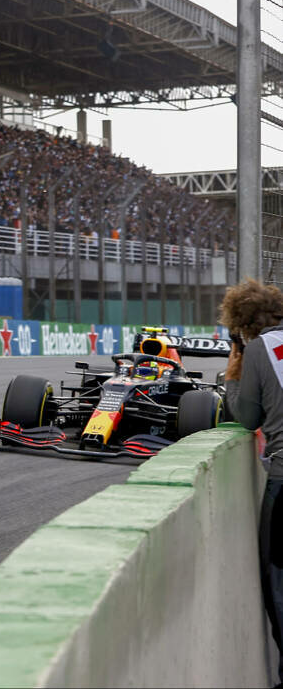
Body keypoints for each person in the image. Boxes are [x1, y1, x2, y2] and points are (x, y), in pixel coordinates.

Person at [221, 278, 283, 686]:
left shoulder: (262, 349)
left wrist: (234, 370)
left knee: (278, 583)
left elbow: (246, 418)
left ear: (244, 326)